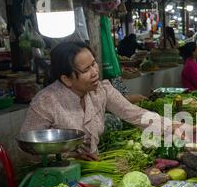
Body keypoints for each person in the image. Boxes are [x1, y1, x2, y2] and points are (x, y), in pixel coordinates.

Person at [21, 41, 181, 161]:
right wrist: (68, 156)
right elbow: (29, 148)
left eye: (93, 64)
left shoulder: (100, 90)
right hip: (56, 179)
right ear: (66, 79)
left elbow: (134, 113)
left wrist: (172, 126)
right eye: (86, 70)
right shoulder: (45, 102)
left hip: (92, 169)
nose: (94, 72)